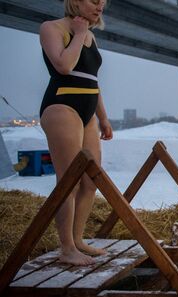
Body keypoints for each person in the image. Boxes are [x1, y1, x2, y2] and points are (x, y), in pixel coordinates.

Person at [39, 0, 112, 265]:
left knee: (91, 180)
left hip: (88, 111)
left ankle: (78, 239)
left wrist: (103, 118)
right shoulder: (51, 28)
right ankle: (67, 247)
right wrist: (79, 34)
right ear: (75, 1)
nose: (99, 7)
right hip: (62, 105)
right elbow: (64, 66)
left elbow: (93, 80)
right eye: (94, 1)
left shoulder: (91, 35)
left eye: (103, 3)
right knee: (68, 180)